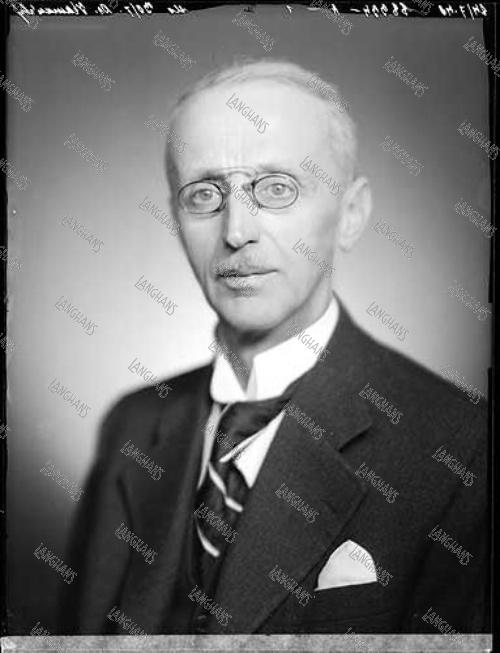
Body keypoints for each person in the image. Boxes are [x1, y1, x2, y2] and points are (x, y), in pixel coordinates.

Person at [61, 59, 489, 635]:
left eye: (278, 188)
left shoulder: (462, 450)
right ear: (176, 219)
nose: (236, 231)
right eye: (204, 194)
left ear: (351, 215)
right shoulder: (132, 425)